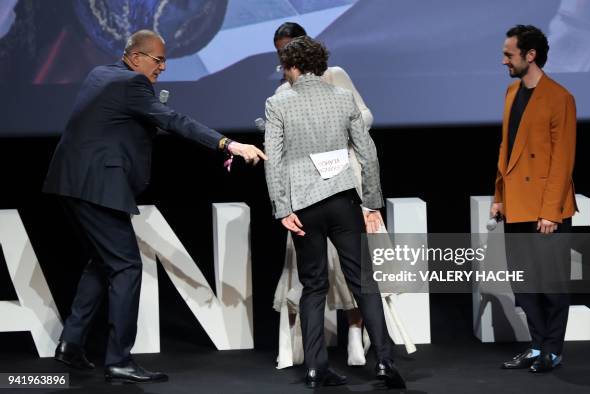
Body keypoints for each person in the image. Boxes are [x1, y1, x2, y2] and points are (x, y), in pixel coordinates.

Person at [42, 29, 266, 383]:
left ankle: (71, 343)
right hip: (96, 185)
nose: (162, 67)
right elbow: (176, 121)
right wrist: (228, 145)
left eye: (165, 60)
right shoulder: (132, 85)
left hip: (72, 183)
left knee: (103, 263)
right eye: (157, 60)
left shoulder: (100, 74)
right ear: (134, 57)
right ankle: (118, 359)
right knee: (127, 267)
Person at [264, 36, 405, 389]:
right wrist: (372, 202)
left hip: (304, 208)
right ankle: (385, 363)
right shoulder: (343, 99)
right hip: (343, 202)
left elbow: (274, 163)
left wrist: (282, 208)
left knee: (313, 287)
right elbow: (368, 154)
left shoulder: (277, 103)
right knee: (364, 283)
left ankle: (315, 368)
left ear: (292, 67)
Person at [492, 25, 577, 373]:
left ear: (531, 56)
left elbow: (563, 160)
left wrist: (550, 212)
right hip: (516, 203)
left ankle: (553, 350)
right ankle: (537, 345)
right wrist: (498, 196)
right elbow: (506, 149)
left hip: (545, 208)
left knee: (552, 284)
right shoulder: (512, 92)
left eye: (509, 54)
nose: (503, 61)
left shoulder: (560, 97)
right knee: (523, 283)